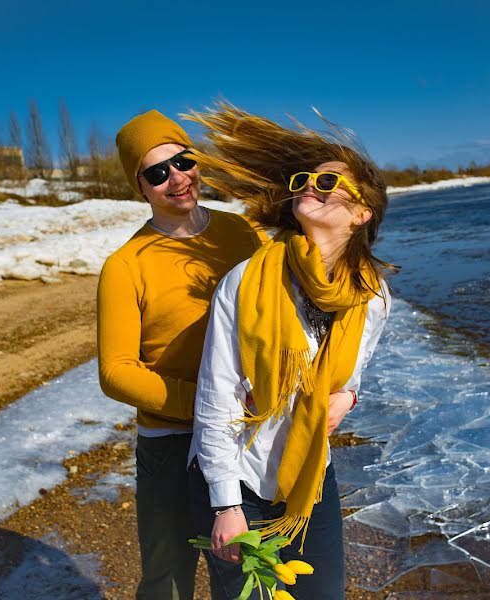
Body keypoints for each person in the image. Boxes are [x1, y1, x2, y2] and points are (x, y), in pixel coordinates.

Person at [185, 104, 393, 600]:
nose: (308, 188)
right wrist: (225, 505)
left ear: (362, 213)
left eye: (325, 184)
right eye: (304, 180)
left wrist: (350, 396)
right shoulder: (248, 280)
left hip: (308, 476)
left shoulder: (373, 295)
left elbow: (348, 373)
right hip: (241, 476)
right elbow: (217, 394)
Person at [98, 109, 263, 600]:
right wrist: (206, 403)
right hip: (171, 442)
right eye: (157, 173)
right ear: (141, 188)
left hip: (244, 435)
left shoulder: (241, 235)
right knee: (168, 579)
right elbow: (116, 373)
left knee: (247, 571)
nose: (176, 178)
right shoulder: (125, 266)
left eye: (183, 161)